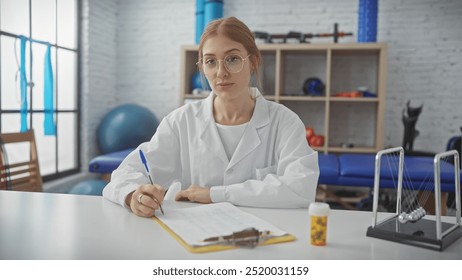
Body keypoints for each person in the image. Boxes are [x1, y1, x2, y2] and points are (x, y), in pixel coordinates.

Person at [103, 17, 319, 217]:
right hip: (195, 238)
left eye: (232, 59)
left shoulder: (284, 122)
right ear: (202, 67)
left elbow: (301, 188)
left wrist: (215, 194)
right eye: (210, 61)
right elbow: (126, 172)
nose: (220, 72)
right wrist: (134, 195)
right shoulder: (180, 122)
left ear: (253, 61)